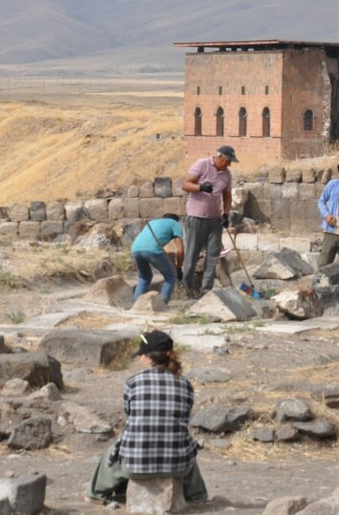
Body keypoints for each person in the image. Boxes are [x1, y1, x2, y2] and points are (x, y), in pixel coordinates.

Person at [87, 330, 208, 506]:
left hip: (137, 467)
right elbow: (184, 419)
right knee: (184, 444)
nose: (140, 359)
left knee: (113, 451)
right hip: (177, 467)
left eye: (141, 355)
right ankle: (197, 497)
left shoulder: (133, 382)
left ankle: (96, 494)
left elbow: (131, 418)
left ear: (149, 357)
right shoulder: (185, 384)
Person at [180, 146, 237, 297]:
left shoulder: (227, 174)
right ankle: (186, 289)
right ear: (219, 158)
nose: (229, 165)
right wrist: (201, 187)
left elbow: (227, 196)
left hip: (215, 220)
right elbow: (185, 185)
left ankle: (206, 290)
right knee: (192, 255)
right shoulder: (202, 164)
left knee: (213, 256)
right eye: (228, 161)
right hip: (197, 217)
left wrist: (226, 215)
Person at [131, 213, 185, 304]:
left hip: (135, 249)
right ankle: (162, 305)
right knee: (171, 277)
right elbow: (180, 251)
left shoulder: (153, 222)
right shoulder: (175, 224)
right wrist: (178, 268)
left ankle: (135, 304)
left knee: (144, 277)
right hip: (152, 250)